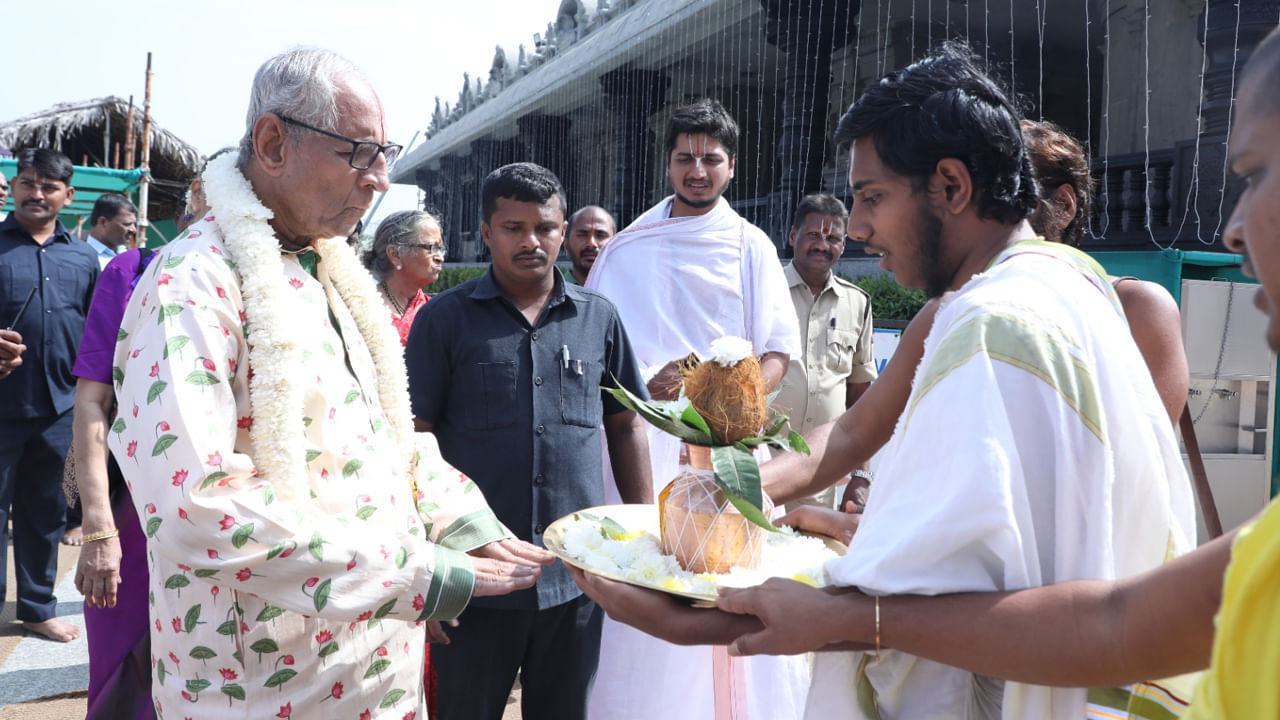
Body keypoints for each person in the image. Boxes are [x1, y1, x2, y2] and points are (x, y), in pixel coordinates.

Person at [575, 44, 1198, 720]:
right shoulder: (1050, 286)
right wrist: (728, 489)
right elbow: (848, 433)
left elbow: (978, 595)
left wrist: (729, 619)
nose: (859, 228)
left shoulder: (997, 326)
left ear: (952, 187)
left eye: (872, 198)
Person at [109, 48, 552, 718]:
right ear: (272, 143)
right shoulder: (192, 286)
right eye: (358, 153)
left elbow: (380, 436)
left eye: (385, 154)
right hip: (260, 676)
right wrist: (416, 576)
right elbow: (195, 505)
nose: (380, 180)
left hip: (373, 665)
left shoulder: (328, 271)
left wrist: (460, 518)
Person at [406, 162, 652, 720]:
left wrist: (641, 535)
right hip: (475, 577)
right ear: (487, 232)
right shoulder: (445, 322)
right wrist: (432, 567)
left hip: (578, 576)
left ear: (563, 231)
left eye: (544, 227)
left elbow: (625, 423)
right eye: (513, 228)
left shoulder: (600, 320)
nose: (530, 241)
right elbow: (415, 440)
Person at [585, 99, 806, 720]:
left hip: (730, 454)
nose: (698, 170)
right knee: (647, 586)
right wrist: (645, 385)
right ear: (669, 164)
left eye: (711, 159)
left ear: (731, 167)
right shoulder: (628, 249)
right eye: (685, 158)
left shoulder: (751, 245)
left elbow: (776, 352)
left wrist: (724, 403)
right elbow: (601, 352)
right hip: (642, 453)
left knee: (733, 589)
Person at [1023, 118, 1188, 425]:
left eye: (1011, 197)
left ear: (1063, 206)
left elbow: (1145, 452)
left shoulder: (1138, 306)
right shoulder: (953, 308)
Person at [0, 147, 97, 643]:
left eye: (49, 186)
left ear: (69, 196)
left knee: (46, 513)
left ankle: (37, 609)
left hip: (61, 407)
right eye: (27, 183)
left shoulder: (83, 257)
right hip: (1, 406)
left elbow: (99, 331)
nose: (36, 193)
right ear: (13, 187)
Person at [72, 244, 160, 720]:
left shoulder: (303, 274)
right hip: (136, 505)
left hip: (250, 518)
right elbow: (93, 402)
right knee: (128, 674)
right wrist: (99, 529)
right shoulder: (135, 271)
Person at [774, 193, 876, 511]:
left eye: (833, 238)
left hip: (822, 480)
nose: (822, 244)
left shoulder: (857, 304)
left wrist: (861, 474)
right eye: (813, 235)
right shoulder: (765, 291)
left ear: (843, 246)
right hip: (762, 470)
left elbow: (860, 398)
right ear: (793, 237)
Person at [361, 209, 444, 345]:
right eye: (430, 248)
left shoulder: (438, 312)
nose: (440, 258)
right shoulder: (361, 307)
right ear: (395, 254)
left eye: (440, 248)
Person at [564, 205, 615, 284]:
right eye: (582, 235)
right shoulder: (550, 294)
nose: (591, 243)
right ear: (566, 246)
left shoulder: (627, 293)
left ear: (614, 246)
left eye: (600, 235)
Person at [84, 193, 138, 269]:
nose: (133, 229)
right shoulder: (82, 259)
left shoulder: (127, 255)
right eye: (127, 224)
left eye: (133, 224)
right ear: (103, 222)